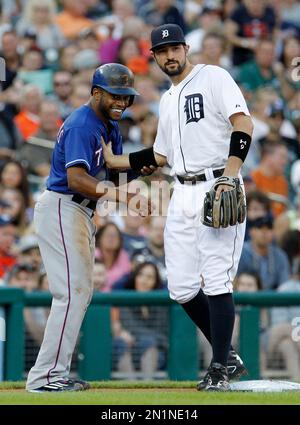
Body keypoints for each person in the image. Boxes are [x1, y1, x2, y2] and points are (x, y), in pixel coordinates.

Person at [101, 23, 254, 391]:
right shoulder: (167, 99)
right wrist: (117, 161)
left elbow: (244, 123)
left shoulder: (213, 77)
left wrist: (230, 176)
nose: (170, 55)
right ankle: (229, 357)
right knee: (182, 287)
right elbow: (161, 155)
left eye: (175, 48)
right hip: (181, 191)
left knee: (217, 278)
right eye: (162, 51)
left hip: (218, 183)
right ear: (153, 57)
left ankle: (219, 367)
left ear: (186, 48)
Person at [25, 63, 152, 393]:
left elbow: (109, 176)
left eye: (126, 97)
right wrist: (124, 195)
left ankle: (54, 374)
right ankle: (46, 379)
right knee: (71, 293)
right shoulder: (84, 123)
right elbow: (77, 179)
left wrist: (142, 165)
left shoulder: (109, 126)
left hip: (78, 212)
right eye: (115, 95)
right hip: (63, 206)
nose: (122, 102)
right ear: (96, 92)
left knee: (77, 294)